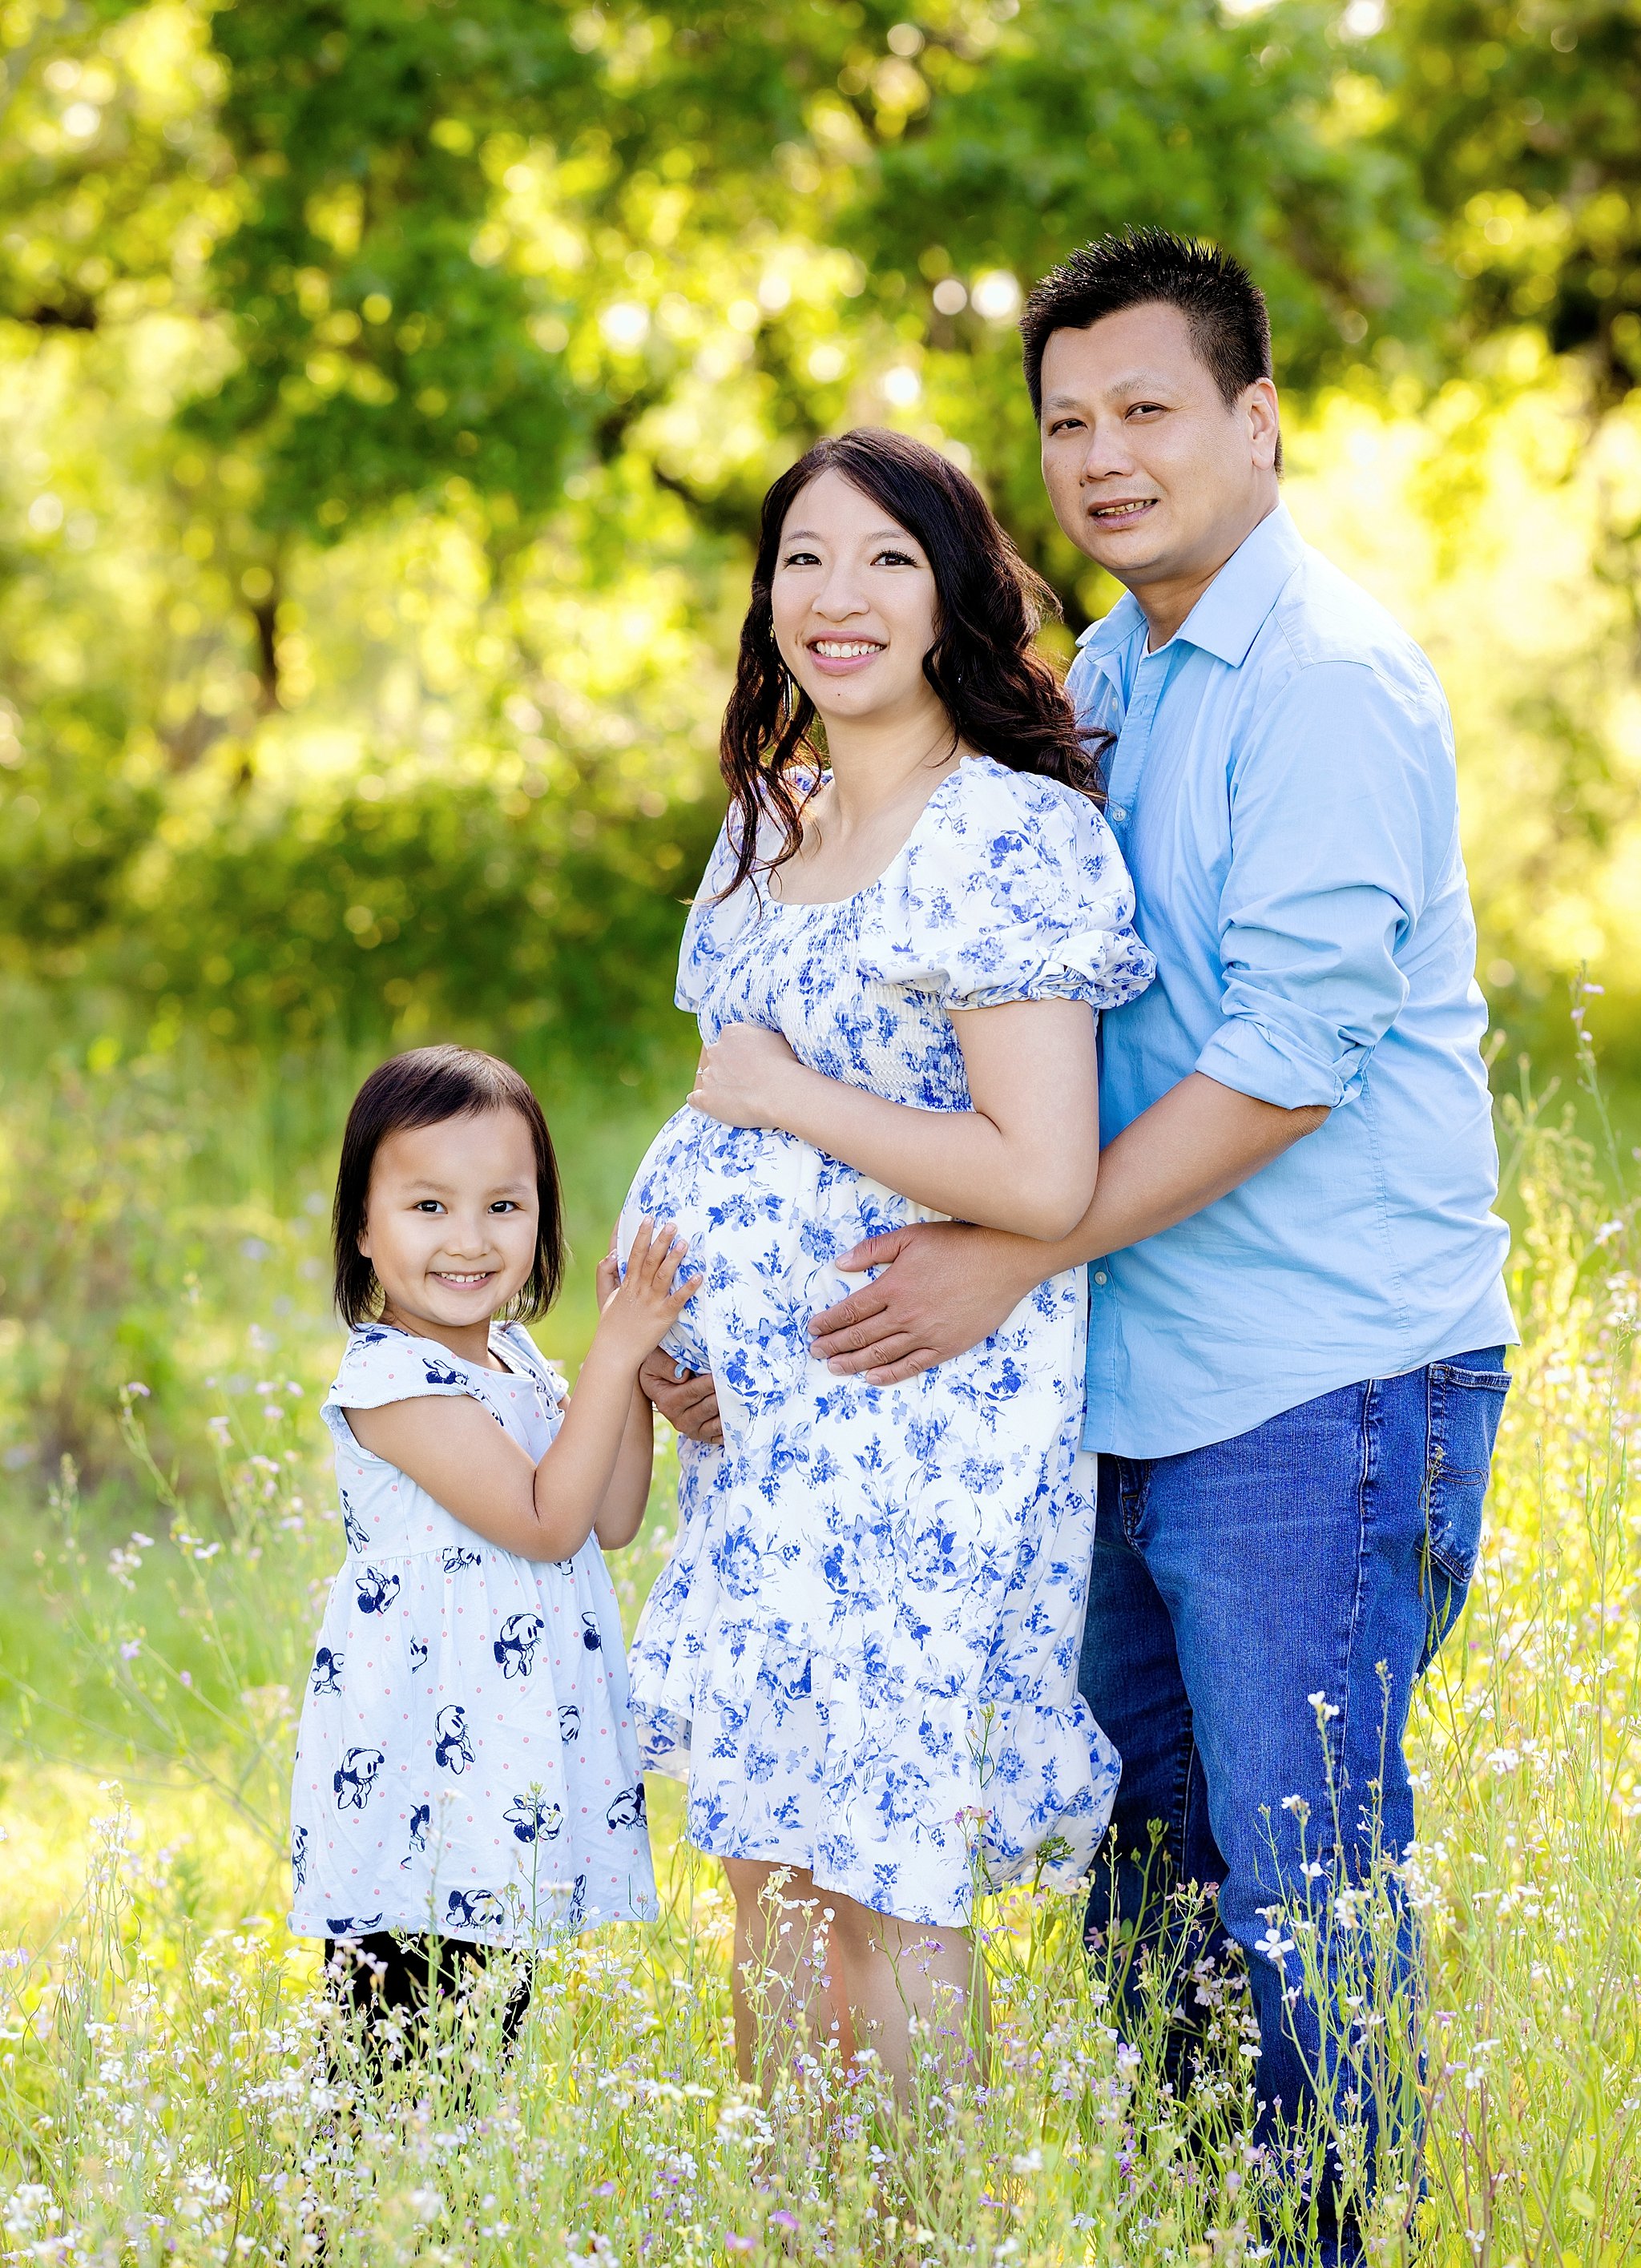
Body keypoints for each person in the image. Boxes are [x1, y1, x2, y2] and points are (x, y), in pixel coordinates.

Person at [645, 235, 1514, 2252]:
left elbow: (1288, 1053)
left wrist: (1013, 1250)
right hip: (1104, 1391)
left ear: (1255, 417)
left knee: (1296, 1893)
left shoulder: (1326, 686)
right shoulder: (1099, 685)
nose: (1104, 454)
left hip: (1319, 1378)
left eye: (1145, 408)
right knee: (1145, 1904)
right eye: (1065, 421)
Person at [621, 427, 1154, 2097]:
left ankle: (917, 2214)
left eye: (884, 560)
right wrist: (675, 1338)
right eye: (800, 558)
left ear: (954, 599)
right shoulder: (764, 827)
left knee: (886, 1872)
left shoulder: (1006, 836)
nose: (834, 596)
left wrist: (795, 1093)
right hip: (764, 1432)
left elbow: (1039, 1170)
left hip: (920, 1415)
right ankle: (802, 2217)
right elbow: (726, 1134)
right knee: (765, 1869)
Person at [289, 1043, 694, 2051]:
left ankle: (443, 2211)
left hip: (500, 1765)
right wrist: (610, 1353)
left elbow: (607, 1514)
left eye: (503, 1207)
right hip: (420, 1775)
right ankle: (355, 2214)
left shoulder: (511, 1357)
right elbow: (544, 1521)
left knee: (480, 2041)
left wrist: (628, 1365)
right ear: (362, 1230)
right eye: (428, 1207)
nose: (468, 1239)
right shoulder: (392, 1383)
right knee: (393, 2047)